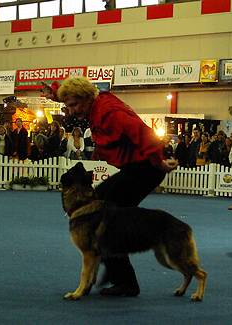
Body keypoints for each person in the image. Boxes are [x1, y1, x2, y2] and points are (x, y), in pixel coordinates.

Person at [57, 77, 178, 297]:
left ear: (86, 98)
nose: (72, 111)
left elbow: (143, 133)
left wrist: (159, 159)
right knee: (100, 210)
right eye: (68, 106)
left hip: (145, 168)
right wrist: (55, 92)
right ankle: (113, 272)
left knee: (103, 219)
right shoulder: (96, 104)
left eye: (74, 105)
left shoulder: (109, 112)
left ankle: (124, 281)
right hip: (136, 167)